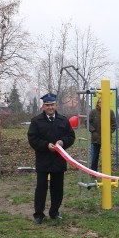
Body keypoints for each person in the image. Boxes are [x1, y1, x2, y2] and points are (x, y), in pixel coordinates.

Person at [28, 93, 76, 224]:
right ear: (43, 106)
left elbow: (71, 137)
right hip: (43, 160)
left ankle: (54, 212)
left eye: (52, 105)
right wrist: (45, 145)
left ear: (56, 105)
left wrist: (63, 142)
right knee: (41, 188)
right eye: (47, 105)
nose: (50, 107)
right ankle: (39, 214)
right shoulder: (36, 121)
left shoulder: (63, 120)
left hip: (58, 161)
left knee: (57, 188)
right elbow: (32, 139)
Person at [88, 97, 117, 172]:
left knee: (106, 156)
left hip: (106, 138)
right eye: (100, 102)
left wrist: (109, 131)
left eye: (103, 103)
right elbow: (87, 122)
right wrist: (93, 131)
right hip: (96, 138)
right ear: (97, 103)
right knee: (95, 156)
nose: (101, 104)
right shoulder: (93, 112)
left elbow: (114, 124)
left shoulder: (110, 112)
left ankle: (106, 171)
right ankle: (93, 172)